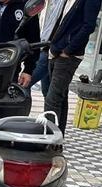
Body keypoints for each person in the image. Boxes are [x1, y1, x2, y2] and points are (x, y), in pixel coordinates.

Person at [44, 0, 102, 134]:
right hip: (56, 51)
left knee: (52, 100)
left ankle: (47, 139)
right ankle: (58, 138)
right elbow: (62, 22)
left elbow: (89, 26)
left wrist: (68, 50)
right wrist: (53, 46)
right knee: (60, 98)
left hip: (68, 55)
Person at [28, 0, 66, 96]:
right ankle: (50, 111)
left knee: (26, 83)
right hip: (42, 47)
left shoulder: (63, 3)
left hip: (51, 49)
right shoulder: (46, 3)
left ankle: (23, 110)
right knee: (48, 91)